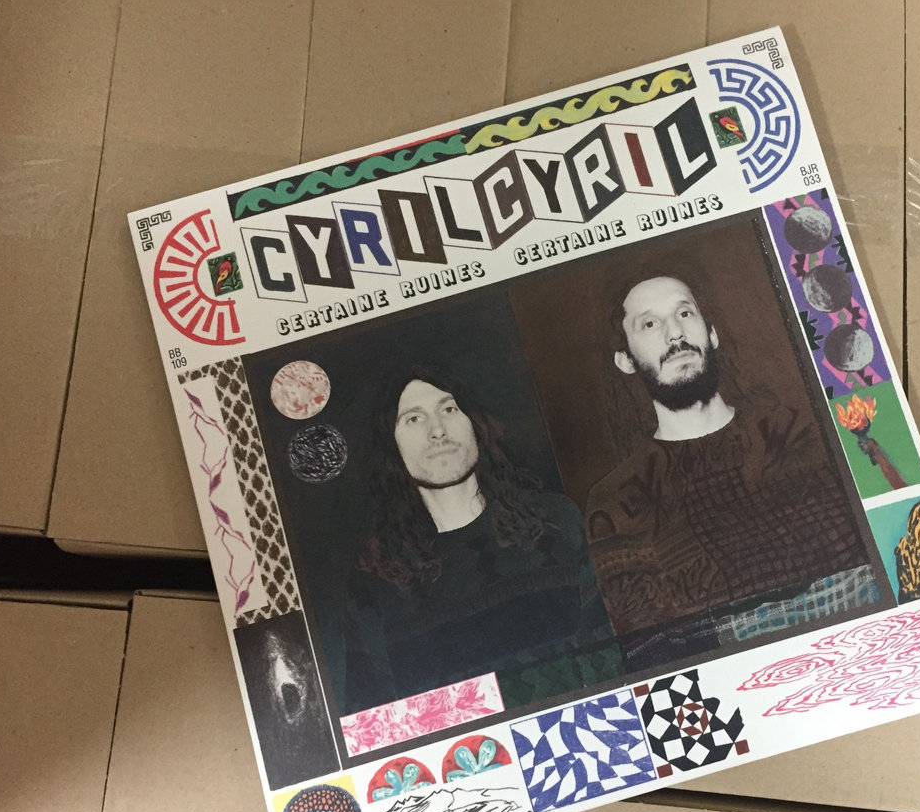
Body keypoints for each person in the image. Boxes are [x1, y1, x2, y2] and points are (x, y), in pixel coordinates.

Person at [585, 273, 876, 651]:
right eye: (650, 324)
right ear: (625, 360)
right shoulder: (619, 499)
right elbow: (649, 646)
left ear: (712, 333)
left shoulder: (798, 432)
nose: (675, 333)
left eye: (684, 313)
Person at [322, 364, 616, 717]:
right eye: (413, 419)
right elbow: (372, 720)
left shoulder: (557, 523)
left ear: (475, 424)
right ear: (391, 445)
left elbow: (614, 657)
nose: (437, 431)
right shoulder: (374, 585)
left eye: (449, 409)